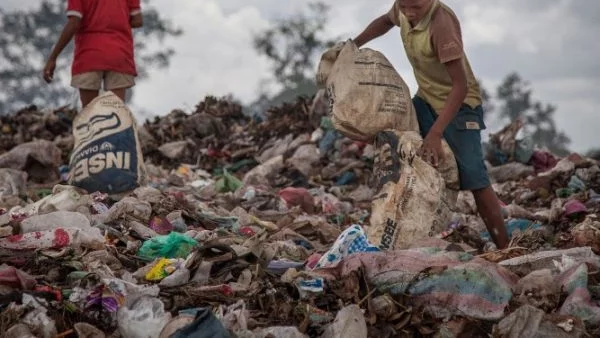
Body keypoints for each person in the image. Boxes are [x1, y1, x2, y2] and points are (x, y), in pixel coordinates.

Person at [354, 0, 510, 248]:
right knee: (400, 148)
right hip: (426, 100)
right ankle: (401, 233)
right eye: (404, 7)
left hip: (459, 107)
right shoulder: (403, 8)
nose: (409, 12)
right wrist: (354, 44)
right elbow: (385, 21)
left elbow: (461, 86)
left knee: (474, 179)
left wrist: (436, 133)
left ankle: (506, 249)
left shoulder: (441, 23)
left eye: (415, 6)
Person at [43, 0, 143, 108]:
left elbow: (74, 22)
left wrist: (53, 58)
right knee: (116, 113)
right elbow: (138, 20)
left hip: (89, 55)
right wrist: (117, 20)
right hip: (119, 53)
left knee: (90, 113)